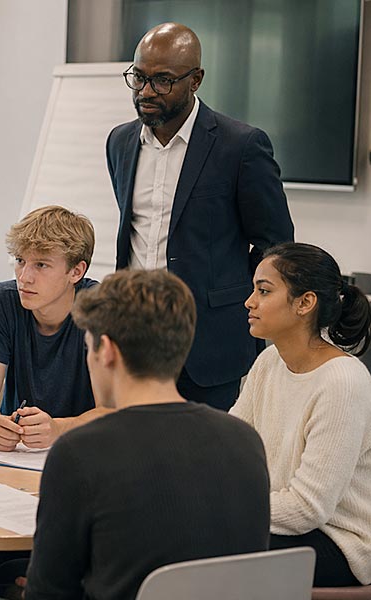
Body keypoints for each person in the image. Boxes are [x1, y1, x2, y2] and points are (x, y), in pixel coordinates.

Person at [0, 269, 271, 600]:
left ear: (107, 351)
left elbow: (49, 591)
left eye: (88, 347)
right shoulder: (244, 440)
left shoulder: (81, 452)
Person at [106, 22, 294, 410]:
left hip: (209, 344)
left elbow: (277, 247)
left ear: (195, 80)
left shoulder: (240, 146)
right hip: (135, 337)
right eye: (138, 77)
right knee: (136, 458)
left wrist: (239, 300)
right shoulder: (120, 142)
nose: (145, 92)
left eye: (162, 81)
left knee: (202, 463)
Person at [230, 242, 371, 587]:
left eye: (264, 291)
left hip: (340, 540)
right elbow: (230, 446)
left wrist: (224, 509)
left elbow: (309, 508)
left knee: (213, 549)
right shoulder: (269, 361)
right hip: (280, 522)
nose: (250, 302)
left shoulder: (343, 381)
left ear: (305, 303)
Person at [0, 205, 108, 452]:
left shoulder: (101, 308)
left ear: (76, 271)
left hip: (86, 453)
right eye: (20, 261)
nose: (24, 277)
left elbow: (112, 413)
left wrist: (58, 429)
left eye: (41, 265)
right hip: (18, 456)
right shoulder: (3, 301)